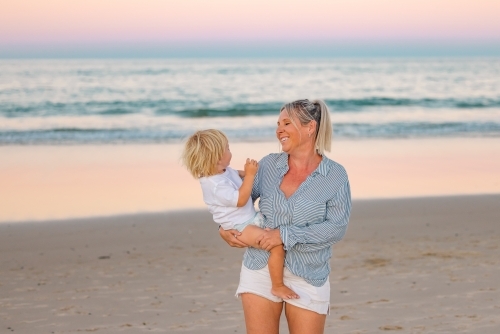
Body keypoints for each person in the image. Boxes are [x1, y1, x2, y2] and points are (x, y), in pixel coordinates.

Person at [219, 99, 351, 334]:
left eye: (287, 123)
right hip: (260, 267)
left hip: (309, 274)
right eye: (278, 123)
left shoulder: (335, 175)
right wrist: (223, 228)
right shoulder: (269, 165)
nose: (279, 129)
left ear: (310, 127)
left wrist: (285, 234)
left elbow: (336, 228)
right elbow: (238, 201)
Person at [181, 129, 299, 299]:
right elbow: (241, 200)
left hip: (249, 219)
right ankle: (278, 286)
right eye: (227, 148)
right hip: (240, 227)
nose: (230, 151)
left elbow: (237, 174)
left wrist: (253, 172)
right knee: (276, 246)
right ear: (216, 157)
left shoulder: (223, 171)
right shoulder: (214, 186)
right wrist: (250, 175)